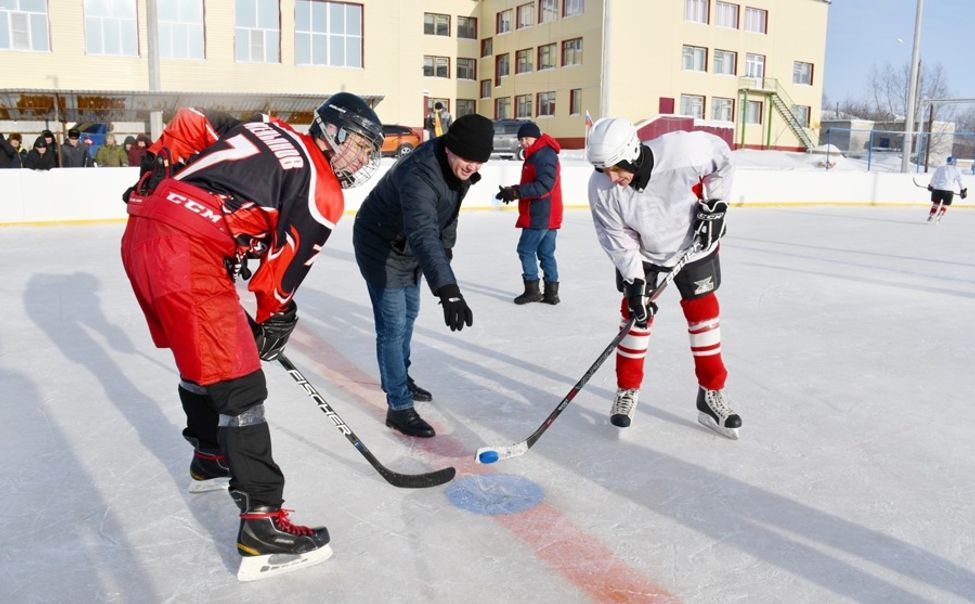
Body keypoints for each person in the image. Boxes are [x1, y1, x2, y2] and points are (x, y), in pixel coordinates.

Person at [120, 93, 384, 581]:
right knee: (241, 386)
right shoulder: (323, 186)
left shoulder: (271, 129)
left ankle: (208, 456)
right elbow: (279, 278)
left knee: (199, 357)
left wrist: (155, 172)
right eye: (362, 146)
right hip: (187, 254)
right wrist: (275, 319)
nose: (365, 160)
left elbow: (190, 120)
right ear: (334, 133)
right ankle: (263, 526)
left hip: (142, 234)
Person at [585, 118, 741, 440]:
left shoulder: (681, 151)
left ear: (630, 152)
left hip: (695, 247)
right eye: (604, 170)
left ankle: (711, 394)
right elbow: (617, 237)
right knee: (635, 316)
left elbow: (723, 158)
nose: (612, 179)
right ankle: (627, 390)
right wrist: (635, 282)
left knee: (704, 316)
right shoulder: (601, 187)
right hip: (645, 254)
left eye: (615, 168)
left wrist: (716, 205)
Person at [353, 113, 493, 438]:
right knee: (392, 326)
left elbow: (448, 216)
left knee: (410, 314)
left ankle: (400, 376)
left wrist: (446, 250)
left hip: (408, 248)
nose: (473, 166)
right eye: (468, 158)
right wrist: (448, 289)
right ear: (450, 149)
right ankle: (398, 407)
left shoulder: (459, 170)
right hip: (381, 246)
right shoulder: (421, 173)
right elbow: (423, 233)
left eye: (479, 161)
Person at [495, 121, 563, 305]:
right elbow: (537, 183)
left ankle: (532, 291)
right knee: (546, 253)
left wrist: (518, 192)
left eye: (527, 138)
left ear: (537, 137)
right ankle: (551, 294)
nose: (524, 142)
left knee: (525, 249)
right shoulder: (537, 154)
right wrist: (514, 190)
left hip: (540, 214)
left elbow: (544, 186)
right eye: (521, 139)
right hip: (548, 213)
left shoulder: (543, 155)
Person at [925, 156, 967, 223]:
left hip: (937, 189)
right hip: (949, 190)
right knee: (945, 204)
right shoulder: (956, 169)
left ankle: (932, 214)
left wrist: (931, 185)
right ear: (953, 162)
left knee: (935, 203)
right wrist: (963, 190)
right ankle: (940, 213)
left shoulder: (940, 168)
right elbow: (960, 181)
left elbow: (934, 177)